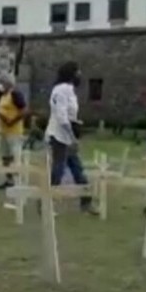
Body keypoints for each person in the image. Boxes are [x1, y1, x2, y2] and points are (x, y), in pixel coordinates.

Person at [46, 62, 97, 215]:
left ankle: (86, 203)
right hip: (60, 136)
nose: (80, 74)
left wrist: (76, 124)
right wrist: (72, 136)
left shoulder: (68, 90)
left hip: (66, 135)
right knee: (58, 171)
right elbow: (61, 117)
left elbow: (68, 115)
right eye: (77, 72)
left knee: (77, 170)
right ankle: (46, 203)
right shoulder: (62, 90)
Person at [0, 74, 28, 190]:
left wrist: (12, 121)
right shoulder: (3, 96)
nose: (0, 85)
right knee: (5, 157)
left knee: (15, 156)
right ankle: (9, 180)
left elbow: (23, 110)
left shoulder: (15, 94)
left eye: (2, 83)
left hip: (14, 131)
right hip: (3, 131)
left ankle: (18, 182)